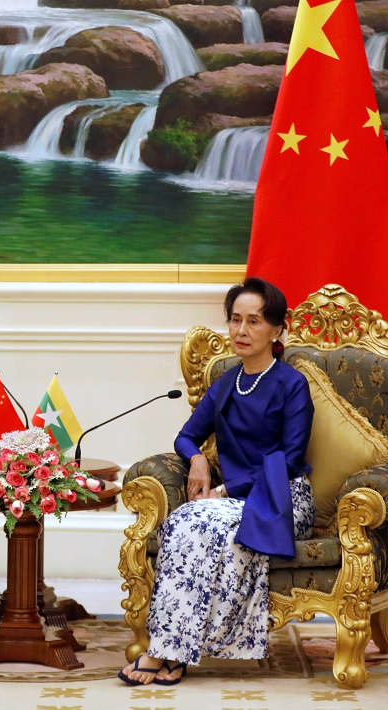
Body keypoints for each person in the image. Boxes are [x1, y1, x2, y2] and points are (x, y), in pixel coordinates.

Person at [119, 276, 315, 686]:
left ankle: (166, 653)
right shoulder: (227, 382)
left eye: (254, 322)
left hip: (282, 498)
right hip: (231, 500)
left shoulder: (291, 384)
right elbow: (186, 435)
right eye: (235, 320)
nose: (241, 331)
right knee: (186, 521)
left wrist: (224, 489)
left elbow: (291, 461)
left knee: (197, 518)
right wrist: (197, 462)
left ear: (277, 329)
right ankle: (172, 652)